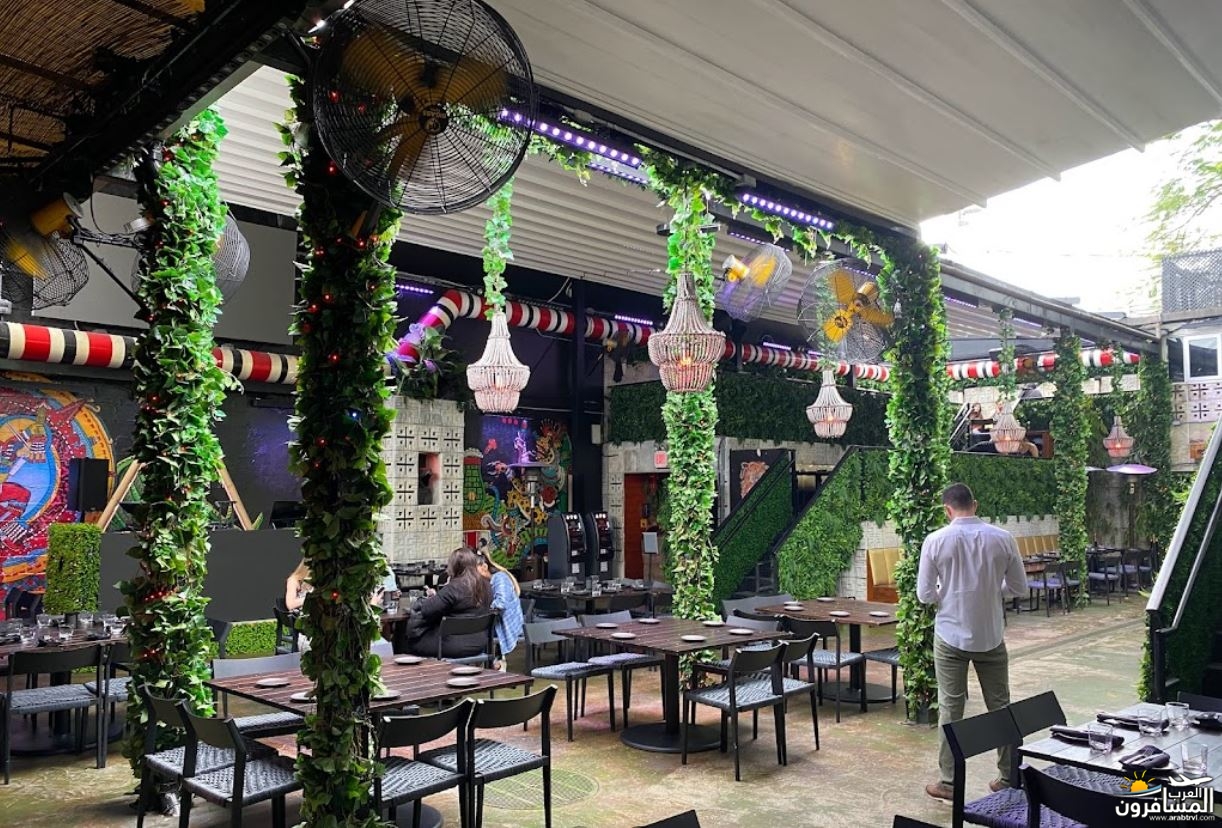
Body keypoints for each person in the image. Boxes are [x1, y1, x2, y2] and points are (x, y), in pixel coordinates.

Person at [917, 482, 1027, 801]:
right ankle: (1008, 777)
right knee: (1001, 706)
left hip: (950, 634)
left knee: (951, 707)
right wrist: (991, 590)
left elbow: (925, 595)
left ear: (947, 510)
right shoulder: (1003, 538)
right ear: (974, 505)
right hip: (990, 634)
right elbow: (1019, 587)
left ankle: (949, 783)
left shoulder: (935, 540)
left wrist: (946, 593)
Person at [403, 547, 492, 658]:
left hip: (451, 646)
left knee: (407, 641)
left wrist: (432, 597)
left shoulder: (453, 588)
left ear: (454, 566)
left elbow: (427, 609)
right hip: (479, 643)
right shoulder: (487, 586)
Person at [477, 551, 522, 669]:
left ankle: (490, 662)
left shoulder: (500, 578)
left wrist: (482, 607)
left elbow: (501, 604)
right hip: (495, 621)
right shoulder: (486, 581)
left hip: (505, 624)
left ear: (484, 567)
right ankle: (488, 662)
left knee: (475, 630)